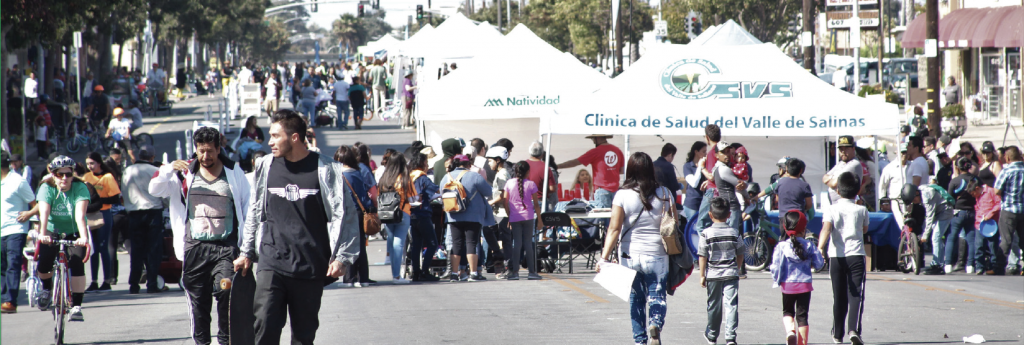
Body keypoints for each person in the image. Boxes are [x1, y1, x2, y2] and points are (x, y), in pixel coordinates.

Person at [234, 110, 359, 345]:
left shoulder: (326, 169)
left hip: (310, 264)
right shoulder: (266, 165)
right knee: (264, 326)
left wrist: (343, 257)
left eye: (275, 136)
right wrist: (246, 252)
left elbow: (348, 215)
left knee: (303, 337)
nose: (269, 141)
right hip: (272, 261)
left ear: (294, 138)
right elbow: (254, 211)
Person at [149, 127, 251, 344]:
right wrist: (168, 169)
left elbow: (248, 207)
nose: (205, 156)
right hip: (195, 247)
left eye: (210, 151)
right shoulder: (184, 172)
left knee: (226, 291)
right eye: (201, 151)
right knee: (199, 303)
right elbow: (154, 190)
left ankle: (225, 340)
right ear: (196, 149)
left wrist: (248, 247)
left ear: (218, 149)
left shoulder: (234, 172)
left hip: (226, 247)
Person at [598, 152, 675, 345]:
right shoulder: (665, 193)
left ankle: (639, 341)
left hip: (629, 255)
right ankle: (655, 325)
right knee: (657, 295)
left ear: (630, 170)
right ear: (651, 169)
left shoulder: (622, 195)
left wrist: (604, 257)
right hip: (657, 254)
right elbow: (674, 225)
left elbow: (614, 229)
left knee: (636, 299)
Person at [35, 156, 93, 321]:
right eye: (60, 175)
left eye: (68, 174)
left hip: (73, 231)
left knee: (76, 262)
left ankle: (76, 306)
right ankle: (46, 288)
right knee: (45, 262)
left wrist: (83, 237)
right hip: (52, 230)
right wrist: (43, 234)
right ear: (53, 174)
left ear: (73, 173)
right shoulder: (46, 187)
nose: (64, 178)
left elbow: (80, 216)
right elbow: (44, 214)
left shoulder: (80, 187)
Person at [817, 172, 868, 345]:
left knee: (839, 296)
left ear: (838, 190)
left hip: (836, 256)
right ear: (857, 190)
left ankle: (837, 334)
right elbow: (865, 229)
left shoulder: (831, 209)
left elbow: (826, 229)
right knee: (856, 294)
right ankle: (853, 329)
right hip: (856, 255)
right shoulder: (862, 209)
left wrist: (820, 247)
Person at [770, 210, 824, 345]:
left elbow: (775, 266)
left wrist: (777, 279)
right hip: (805, 285)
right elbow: (819, 264)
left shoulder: (781, 246)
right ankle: (802, 342)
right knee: (802, 316)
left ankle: (790, 331)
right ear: (804, 228)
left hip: (787, 285)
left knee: (787, 311)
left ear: (785, 228)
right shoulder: (809, 245)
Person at [439, 154, 493, 282]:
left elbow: (442, 194)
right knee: (471, 243)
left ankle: (454, 273)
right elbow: (488, 192)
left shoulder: (446, 177)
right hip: (473, 216)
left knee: (456, 244)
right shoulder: (474, 176)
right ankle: (473, 273)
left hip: (453, 215)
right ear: (468, 164)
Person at [698, 197, 744, 345]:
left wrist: (702, 275)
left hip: (713, 275)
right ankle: (730, 337)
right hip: (731, 274)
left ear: (710, 215)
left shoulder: (706, 233)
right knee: (731, 305)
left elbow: (703, 256)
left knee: (714, 305)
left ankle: (712, 335)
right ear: (729, 214)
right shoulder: (734, 232)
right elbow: (741, 252)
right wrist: (736, 268)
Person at [121, 146, 164, 294]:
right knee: (153, 250)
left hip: (133, 213)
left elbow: (124, 192)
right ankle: (152, 284)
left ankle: (134, 284)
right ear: (152, 157)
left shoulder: (127, 171)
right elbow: (163, 193)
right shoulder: (154, 171)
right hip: (152, 212)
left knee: (137, 250)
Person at [335, 146, 376, 287]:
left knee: (348, 245)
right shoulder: (358, 173)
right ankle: (363, 278)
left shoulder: (340, 174)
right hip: (361, 212)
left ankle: (350, 279)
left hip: (348, 213)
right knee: (361, 246)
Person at [1, 151, 36, 313]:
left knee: (13, 263)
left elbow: (36, 204)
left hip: (16, 228)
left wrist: (28, 214)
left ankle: (10, 301)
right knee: (2, 266)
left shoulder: (18, 181)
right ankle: (3, 298)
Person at [82, 152, 120, 291]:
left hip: (104, 214)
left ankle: (107, 280)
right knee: (93, 248)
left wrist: (98, 201)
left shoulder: (107, 177)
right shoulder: (86, 177)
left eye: (92, 163)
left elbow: (115, 198)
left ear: (99, 163)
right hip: (90, 214)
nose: (90, 166)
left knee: (104, 247)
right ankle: (94, 281)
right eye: (88, 164)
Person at [556, 134, 624, 208]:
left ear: (597, 138)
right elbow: (621, 170)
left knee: (602, 216)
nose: (593, 142)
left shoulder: (595, 151)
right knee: (614, 216)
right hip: (616, 190)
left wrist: (557, 166)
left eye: (593, 139)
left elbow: (576, 162)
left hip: (602, 190)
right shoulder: (617, 150)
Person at [379, 154, 417, 284]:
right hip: (402, 212)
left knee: (392, 241)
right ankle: (396, 276)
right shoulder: (405, 178)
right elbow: (412, 198)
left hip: (387, 214)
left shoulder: (384, 178)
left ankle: (395, 275)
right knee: (399, 243)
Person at [503, 161, 542, 280]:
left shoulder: (509, 183)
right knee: (528, 244)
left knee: (517, 245)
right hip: (528, 217)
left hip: (514, 218)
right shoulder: (531, 184)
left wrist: (509, 216)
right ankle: (532, 272)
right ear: (528, 172)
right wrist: (540, 219)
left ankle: (515, 272)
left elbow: (505, 203)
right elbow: (536, 204)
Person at [408, 152, 440, 281]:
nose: (427, 166)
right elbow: (436, 190)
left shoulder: (409, 176)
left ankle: (416, 272)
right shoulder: (422, 178)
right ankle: (425, 271)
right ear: (422, 164)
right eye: (426, 163)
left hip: (411, 214)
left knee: (416, 245)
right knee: (433, 243)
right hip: (423, 213)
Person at [946, 158, 980, 274]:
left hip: (958, 212)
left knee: (951, 238)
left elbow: (949, 197)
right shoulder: (976, 179)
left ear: (957, 167)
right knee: (971, 239)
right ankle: (970, 265)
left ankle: (948, 264)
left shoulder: (955, 181)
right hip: (972, 212)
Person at [995, 147, 1023, 275]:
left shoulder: (1007, 170)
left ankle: (999, 267)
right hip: (1023, 209)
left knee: (1006, 240)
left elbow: (997, 190)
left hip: (1009, 209)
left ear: (1007, 158)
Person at [920, 181, 954, 275]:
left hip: (945, 212)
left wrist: (925, 235)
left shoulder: (927, 195)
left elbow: (929, 217)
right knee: (937, 239)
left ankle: (937, 265)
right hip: (939, 213)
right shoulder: (921, 189)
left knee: (936, 237)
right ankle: (939, 264)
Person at [711, 142, 744, 230]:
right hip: (731, 207)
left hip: (725, 207)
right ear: (717, 155)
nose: (727, 154)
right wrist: (748, 195)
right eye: (723, 152)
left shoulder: (717, 168)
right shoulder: (724, 169)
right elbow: (740, 185)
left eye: (728, 151)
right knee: (733, 237)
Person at [823, 136, 863, 204]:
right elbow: (824, 178)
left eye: (847, 149)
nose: (843, 152)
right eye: (841, 149)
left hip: (847, 204)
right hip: (836, 204)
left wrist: (830, 178)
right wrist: (833, 178)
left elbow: (833, 184)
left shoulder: (854, 164)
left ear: (853, 149)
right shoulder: (841, 163)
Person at [526, 141, 557, 211]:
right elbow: (552, 188)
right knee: (541, 221)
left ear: (530, 152)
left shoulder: (522, 165)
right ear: (542, 154)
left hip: (524, 201)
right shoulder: (545, 167)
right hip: (539, 201)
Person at [681, 142, 708, 220]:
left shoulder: (706, 165)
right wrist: (700, 167)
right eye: (703, 151)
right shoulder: (688, 166)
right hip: (692, 203)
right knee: (693, 228)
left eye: (706, 151)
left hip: (704, 202)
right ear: (696, 152)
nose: (705, 154)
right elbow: (694, 183)